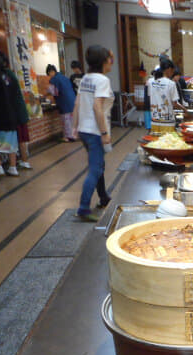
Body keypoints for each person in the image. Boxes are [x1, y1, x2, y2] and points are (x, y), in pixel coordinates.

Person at [71, 45, 115, 222]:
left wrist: (74, 128)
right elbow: (98, 107)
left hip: (84, 129)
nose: (111, 62)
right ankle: (83, 208)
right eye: (109, 59)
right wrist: (104, 132)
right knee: (95, 169)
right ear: (103, 62)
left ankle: (103, 197)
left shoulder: (86, 78)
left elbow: (77, 104)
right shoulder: (102, 80)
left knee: (99, 166)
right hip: (95, 131)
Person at [1, 53, 32, 170]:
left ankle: (12, 166)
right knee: (22, 139)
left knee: (14, 139)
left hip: (15, 113)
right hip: (21, 112)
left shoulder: (5, 75)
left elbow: (6, 95)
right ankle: (25, 162)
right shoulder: (11, 74)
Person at [150, 59, 184, 134]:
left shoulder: (150, 82)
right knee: (167, 143)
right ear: (169, 69)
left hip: (155, 120)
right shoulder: (171, 84)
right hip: (167, 121)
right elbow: (175, 103)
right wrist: (185, 109)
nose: (173, 73)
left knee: (156, 143)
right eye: (172, 71)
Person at [46, 64, 76, 142]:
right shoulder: (64, 77)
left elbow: (54, 92)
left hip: (64, 101)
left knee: (65, 120)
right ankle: (73, 135)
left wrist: (46, 94)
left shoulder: (55, 79)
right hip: (72, 100)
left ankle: (67, 137)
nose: (50, 76)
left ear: (52, 72)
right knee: (71, 119)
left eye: (49, 74)